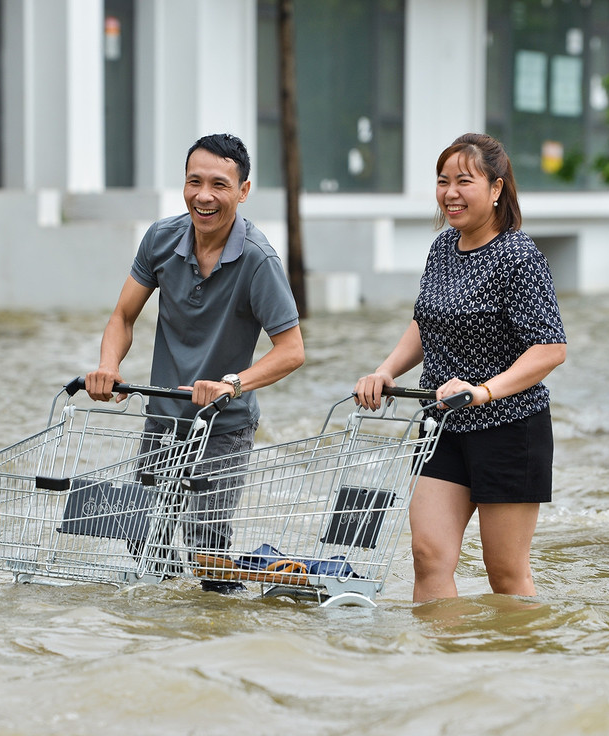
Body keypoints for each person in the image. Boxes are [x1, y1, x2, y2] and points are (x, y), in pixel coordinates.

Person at [85, 132, 305, 594]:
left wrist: (232, 384)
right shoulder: (161, 239)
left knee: (209, 562)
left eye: (220, 185)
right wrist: (108, 366)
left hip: (223, 428)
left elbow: (291, 350)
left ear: (243, 191)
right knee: (147, 550)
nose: (204, 196)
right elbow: (123, 316)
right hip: (162, 420)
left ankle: (228, 634)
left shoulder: (259, 260)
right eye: (194, 182)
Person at [353, 132, 566, 603]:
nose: (450, 193)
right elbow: (426, 323)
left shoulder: (519, 256)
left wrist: (483, 390)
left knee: (505, 575)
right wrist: (387, 370)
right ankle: (439, 668)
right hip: (443, 426)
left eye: (464, 181)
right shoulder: (443, 250)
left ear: (496, 188)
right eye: (442, 181)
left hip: (509, 429)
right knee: (428, 556)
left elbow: (549, 349)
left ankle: (517, 666)